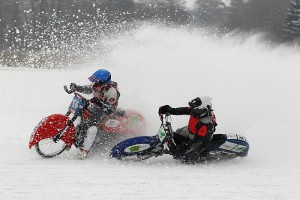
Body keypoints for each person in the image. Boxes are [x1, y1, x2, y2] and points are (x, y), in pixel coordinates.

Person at [70, 69, 121, 159]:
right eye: (94, 81)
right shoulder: (98, 85)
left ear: (104, 81)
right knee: (83, 112)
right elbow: (88, 89)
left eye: (97, 81)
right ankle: (80, 135)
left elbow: (109, 110)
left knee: (92, 128)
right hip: (97, 107)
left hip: (106, 113)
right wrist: (76, 87)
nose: (94, 83)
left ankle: (85, 151)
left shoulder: (111, 92)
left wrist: (99, 103)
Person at [158, 96, 217, 162]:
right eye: (193, 109)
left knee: (184, 157)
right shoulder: (198, 111)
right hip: (191, 131)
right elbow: (185, 110)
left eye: (196, 110)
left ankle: (201, 156)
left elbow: (196, 140)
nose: (193, 111)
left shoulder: (205, 124)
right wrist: (171, 110)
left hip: (199, 141)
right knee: (176, 134)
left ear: (205, 109)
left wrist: (181, 148)